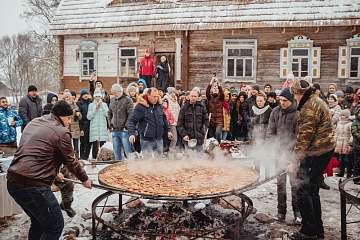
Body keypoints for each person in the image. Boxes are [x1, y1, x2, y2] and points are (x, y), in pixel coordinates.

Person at [7, 100, 91, 240]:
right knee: (55, 225)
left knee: (39, 222)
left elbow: (34, 152)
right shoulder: (62, 132)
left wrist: (54, 172)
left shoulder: (35, 122)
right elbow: (71, 161)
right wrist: (85, 179)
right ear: (60, 116)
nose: (70, 122)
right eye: (68, 118)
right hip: (34, 185)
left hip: (13, 181)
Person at [289, 79, 335, 240]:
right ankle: (318, 230)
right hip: (322, 149)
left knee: (303, 189)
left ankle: (309, 231)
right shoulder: (315, 99)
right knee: (312, 190)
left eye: (294, 95)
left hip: (318, 152)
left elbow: (304, 138)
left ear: (298, 93)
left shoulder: (309, 107)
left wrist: (294, 161)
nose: (294, 98)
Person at [267, 88, 301, 224]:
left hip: (292, 155)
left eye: (285, 100)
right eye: (280, 100)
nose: (281, 102)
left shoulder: (298, 114)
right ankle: (281, 212)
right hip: (278, 153)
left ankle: (298, 213)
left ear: (291, 100)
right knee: (280, 185)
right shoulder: (275, 112)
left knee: (295, 185)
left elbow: (299, 138)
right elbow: (270, 132)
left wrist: (294, 157)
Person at [128, 88, 172, 156]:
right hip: (146, 140)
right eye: (154, 96)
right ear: (148, 95)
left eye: (157, 96)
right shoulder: (140, 107)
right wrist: (132, 133)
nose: (156, 98)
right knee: (147, 162)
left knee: (159, 161)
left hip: (159, 139)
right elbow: (131, 121)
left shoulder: (159, 106)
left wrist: (168, 130)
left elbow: (164, 119)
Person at [108, 84, 133, 161]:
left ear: (119, 91)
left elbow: (131, 114)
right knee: (116, 153)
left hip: (124, 131)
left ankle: (131, 168)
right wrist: (110, 124)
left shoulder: (128, 100)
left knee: (128, 152)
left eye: (115, 93)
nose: (114, 95)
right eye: (113, 93)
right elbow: (109, 113)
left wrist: (126, 126)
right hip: (114, 130)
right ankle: (117, 169)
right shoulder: (112, 100)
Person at [87, 89, 109, 160]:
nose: (97, 98)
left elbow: (107, 114)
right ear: (94, 97)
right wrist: (95, 108)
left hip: (102, 128)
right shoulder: (91, 105)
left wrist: (101, 106)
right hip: (94, 128)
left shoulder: (104, 105)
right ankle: (94, 159)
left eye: (99, 96)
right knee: (95, 145)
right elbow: (89, 117)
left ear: (101, 97)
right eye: (96, 96)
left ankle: (103, 159)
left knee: (103, 145)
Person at [206, 77, 224, 142]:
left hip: (219, 120)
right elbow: (207, 91)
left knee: (218, 133)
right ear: (212, 90)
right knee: (211, 136)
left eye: (216, 89)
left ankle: (219, 144)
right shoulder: (209, 98)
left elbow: (222, 92)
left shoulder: (221, 98)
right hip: (211, 120)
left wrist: (218, 83)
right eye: (214, 88)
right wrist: (211, 81)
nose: (215, 89)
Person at [64, 91, 82, 159]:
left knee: (76, 146)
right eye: (66, 97)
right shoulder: (63, 106)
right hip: (66, 128)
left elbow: (80, 117)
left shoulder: (75, 105)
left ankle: (77, 158)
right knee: (67, 146)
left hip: (75, 128)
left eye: (68, 97)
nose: (67, 98)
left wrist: (78, 114)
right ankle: (69, 159)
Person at [335, 109, 353, 177]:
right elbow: (336, 133)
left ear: (347, 116)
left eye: (344, 115)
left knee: (347, 159)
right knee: (341, 159)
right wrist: (335, 141)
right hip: (340, 143)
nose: (342, 117)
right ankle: (341, 172)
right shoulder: (339, 123)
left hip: (346, 143)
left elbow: (351, 134)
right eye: (342, 115)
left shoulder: (350, 124)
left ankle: (349, 173)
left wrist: (350, 143)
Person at [77, 89, 92, 160]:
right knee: (83, 142)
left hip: (91, 125)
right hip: (83, 125)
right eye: (84, 94)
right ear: (81, 95)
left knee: (89, 142)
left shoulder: (91, 103)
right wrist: (81, 129)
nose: (86, 95)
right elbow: (79, 118)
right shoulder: (79, 103)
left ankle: (86, 156)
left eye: (87, 94)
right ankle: (82, 157)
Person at [351, 107, 360, 184]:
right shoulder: (355, 123)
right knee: (357, 162)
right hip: (357, 146)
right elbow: (354, 133)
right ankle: (355, 178)